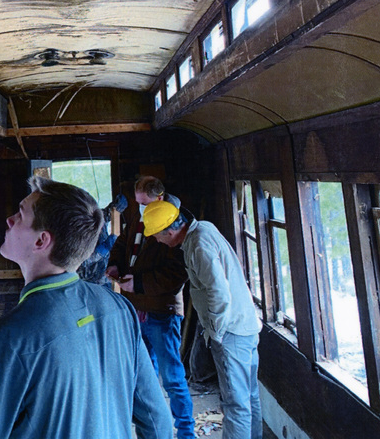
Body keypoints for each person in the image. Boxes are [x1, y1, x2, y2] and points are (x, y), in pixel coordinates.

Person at [0, 176, 173, 439]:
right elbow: (158, 422)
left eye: (20, 214)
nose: (9, 220)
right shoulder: (119, 309)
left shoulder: (6, 340)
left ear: (41, 241)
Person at [143, 198, 263, 439]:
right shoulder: (203, 228)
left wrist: (216, 334)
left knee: (235, 404)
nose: (156, 240)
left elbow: (219, 292)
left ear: (170, 230)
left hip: (231, 333)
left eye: (157, 235)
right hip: (246, 325)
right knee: (249, 396)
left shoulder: (197, 245)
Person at [106, 176, 196, 439]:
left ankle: (186, 434)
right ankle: (156, 432)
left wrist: (141, 284)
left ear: (160, 198)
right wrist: (114, 264)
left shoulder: (174, 223)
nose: (140, 208)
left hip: (160, 310)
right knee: (145, 378)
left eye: (144, 203)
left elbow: (177, 273)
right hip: (136, 308)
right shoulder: (139, 215)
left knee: (172, 377)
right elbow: (123, 242)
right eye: (137, 203)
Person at [77, 192, 127, 285]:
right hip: (93, 282)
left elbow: (105, 215)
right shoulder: (72, 230)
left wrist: (117, 206)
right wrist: (100, 251)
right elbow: (77, 266)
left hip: (108, 272)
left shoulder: (94, 215)